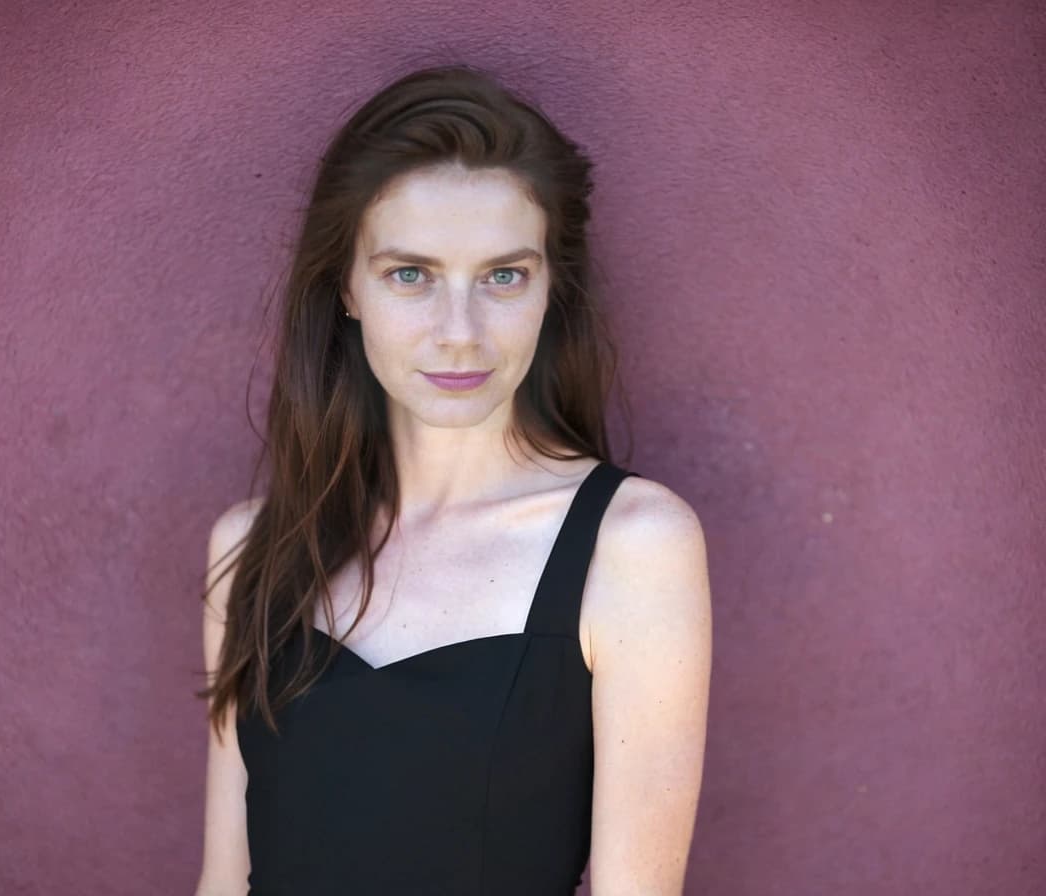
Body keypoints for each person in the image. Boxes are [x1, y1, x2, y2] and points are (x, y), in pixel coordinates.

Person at [194, 64, 712, 896]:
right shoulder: (252, 549)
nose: (460, 334)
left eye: (504, 276)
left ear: (550, 290)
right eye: (412, 275)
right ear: (348, 288)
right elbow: (224, 881)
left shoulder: (633, 546)